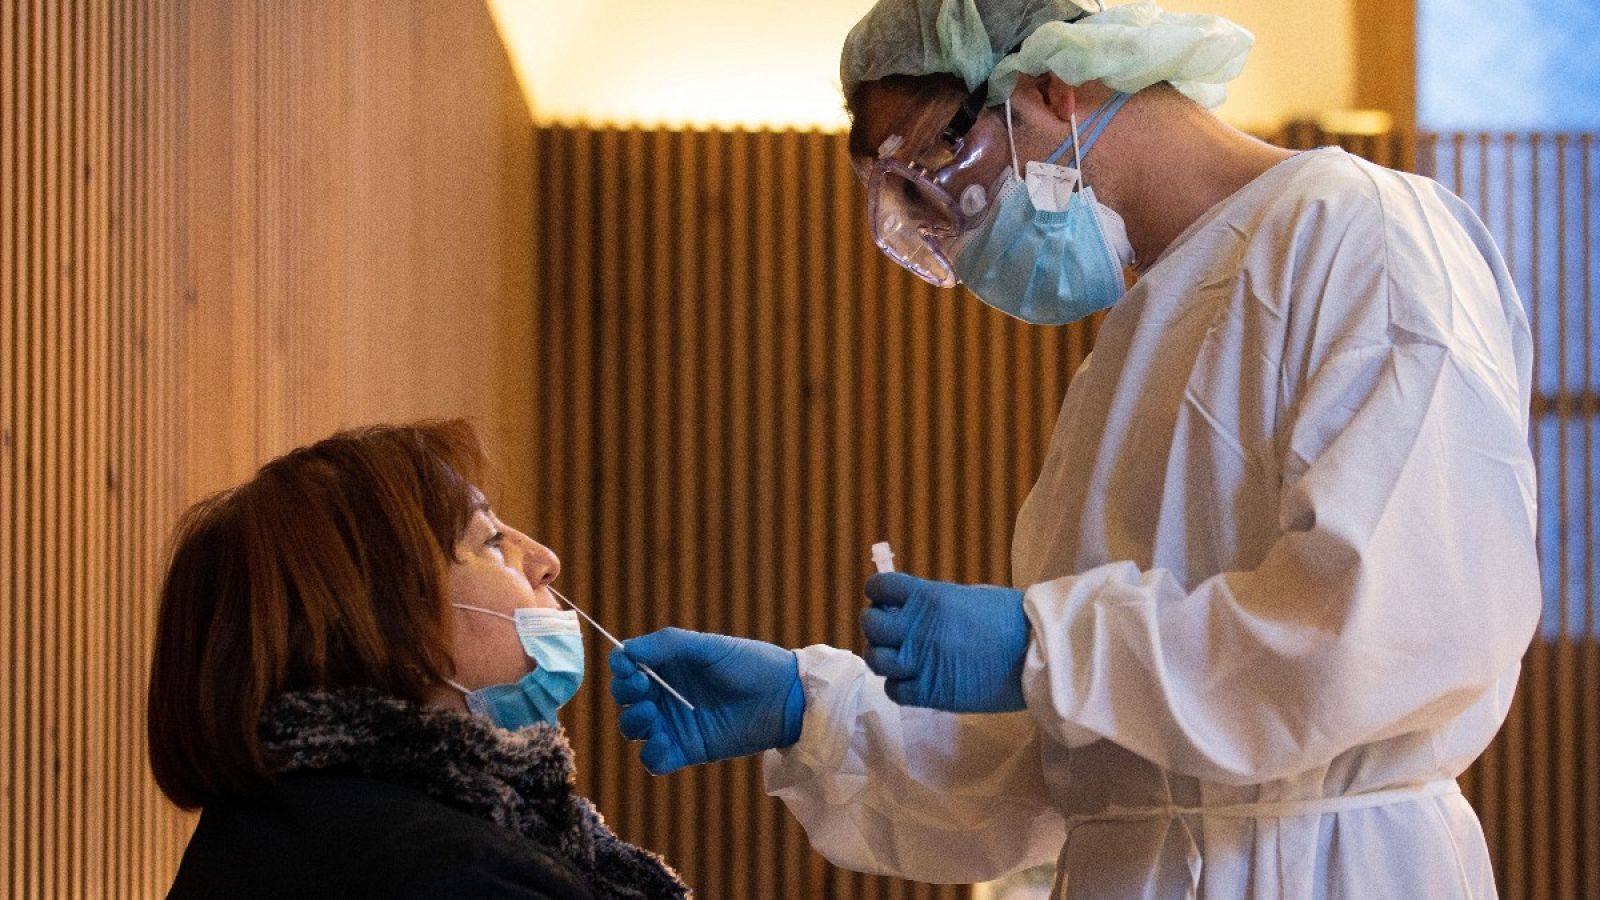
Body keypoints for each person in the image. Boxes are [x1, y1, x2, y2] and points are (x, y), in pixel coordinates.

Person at [608, 0, 1541, 896]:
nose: (944, 223)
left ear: (1055, 83)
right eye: (904, 201)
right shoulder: (1136, 352)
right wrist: (815, 711)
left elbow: (1386, 626)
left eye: (939, 155)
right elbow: (1074, 762)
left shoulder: (1361, 236)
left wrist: (1044, 646)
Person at [149, 421, 688, 900]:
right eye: (492, 541)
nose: (546, 562)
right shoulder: (460, 873)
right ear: (389, 618)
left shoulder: (269, 832)